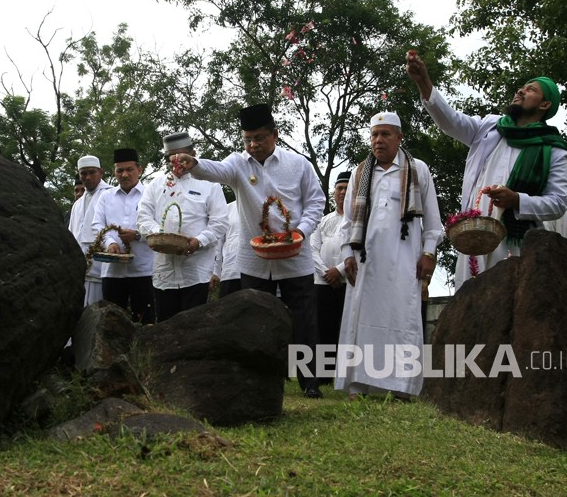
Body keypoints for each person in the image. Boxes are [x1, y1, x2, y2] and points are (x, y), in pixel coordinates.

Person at [174, 103, 326, 398]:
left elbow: (316, 202)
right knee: (257, 319)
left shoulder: (298, 164)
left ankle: (310, 382)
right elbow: (214, 169)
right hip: (254, 259)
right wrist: (194, 164)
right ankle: (263, 378)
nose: (253, 145)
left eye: (259, 138)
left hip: (296, 255)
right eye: (247, 139)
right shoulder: (238, 164)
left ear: (275, 135)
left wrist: (301, 232)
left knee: (304, 319)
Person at [406, 51, 567, 290]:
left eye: (531, 90)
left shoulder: (553, 149)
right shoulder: (491, 126)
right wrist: (424, 82)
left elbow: (558, 202)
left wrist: (517, 200)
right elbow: (450, 122)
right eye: (522, 87)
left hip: (519, 242)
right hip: (474, 236)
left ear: (545, 104)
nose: (521, 91)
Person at [334, 112, 443, 401]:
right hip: (364, 263)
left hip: (404, 261)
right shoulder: (360, 172)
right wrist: (346, 255)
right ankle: (358, 387)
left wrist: (429, 253)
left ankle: (402, 388)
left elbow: (433, 223)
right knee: (362, 322)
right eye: (374, 135)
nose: (378, 140)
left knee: (401, 320)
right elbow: (347, 223)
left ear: (399, 137)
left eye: (385, 134)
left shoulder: (418, 169)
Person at [137, 132, 228, 321]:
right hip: (164, 273)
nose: (177, 163)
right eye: (172, 159)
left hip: (196, 272)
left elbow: (220, 222)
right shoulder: (155, 185)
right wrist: (159, 235)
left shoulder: (209, 183)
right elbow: (143, 217)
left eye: (181, 157)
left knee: (194, 326)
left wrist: (198, 241)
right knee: (165, 325)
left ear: (193, 154)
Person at [91, 148, 155, 324]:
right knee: (112, 322)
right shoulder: (106, 197)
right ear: (114, 172)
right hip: (112, 272)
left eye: (129, 169)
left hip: (144, 269)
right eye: (120, 170)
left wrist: (138, 235)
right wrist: (110, 243)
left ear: (139, 170)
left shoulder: (151, 194)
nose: (124, 174)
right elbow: (97, 225)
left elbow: (160, 227)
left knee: (145, 321)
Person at [311, 171, 350, 383]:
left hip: (348, 281)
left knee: (346, 328)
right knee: (323, 327)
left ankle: (344, 374)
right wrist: (327, 272)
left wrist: (340, 270)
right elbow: (312, 248)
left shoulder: (359, 220)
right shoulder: (323, 220)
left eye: (347, 188)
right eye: (339, 188)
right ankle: (324, 375)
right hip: (322, 281)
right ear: (333, 192)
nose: (343, 192)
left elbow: (361, 248)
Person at [68, 156, 111, 307]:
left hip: (102, 269)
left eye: (92, 172)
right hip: (80, 271)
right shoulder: (77, 204)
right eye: (83, 173)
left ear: (101, 172)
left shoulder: (110, 195)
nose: (88, 177)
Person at [212, 199, 243, 298]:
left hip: (258, 273)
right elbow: (218, 243)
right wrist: (215, 271)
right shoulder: (226, 209)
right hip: (230, 271)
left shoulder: (264, 206)